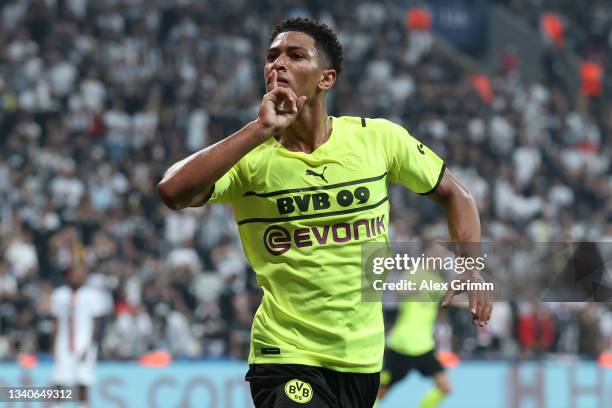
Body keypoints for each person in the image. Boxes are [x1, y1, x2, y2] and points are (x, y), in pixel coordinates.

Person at [158, 17, 491, 408]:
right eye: (272, 57)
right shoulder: (249, 158)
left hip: (361, 360)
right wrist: (258, 131)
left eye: (295, 56)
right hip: (285, 355)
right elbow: (172, 191)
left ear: (326, 78)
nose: (277, 64)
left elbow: (457, 194)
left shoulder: (378, 139)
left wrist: (473, 267)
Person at [377, 267, 451, 408]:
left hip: (423, 346)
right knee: (380, 392)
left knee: (445, 387)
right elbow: (398, 291)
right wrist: (415, 290)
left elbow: (453, 298)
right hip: (401, 345)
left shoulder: (437, 283)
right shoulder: (413, 275)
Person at [51, 265, 111, 408]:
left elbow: (97, 323)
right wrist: (54, 345)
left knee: (83, 381)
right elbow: (56, 322)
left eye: (79, 274)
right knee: (59, 381)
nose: (76, 277)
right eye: (73, 274)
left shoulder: (93, 296)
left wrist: (92, 345)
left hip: (84, 343)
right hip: (64, 343)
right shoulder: (59, 295)